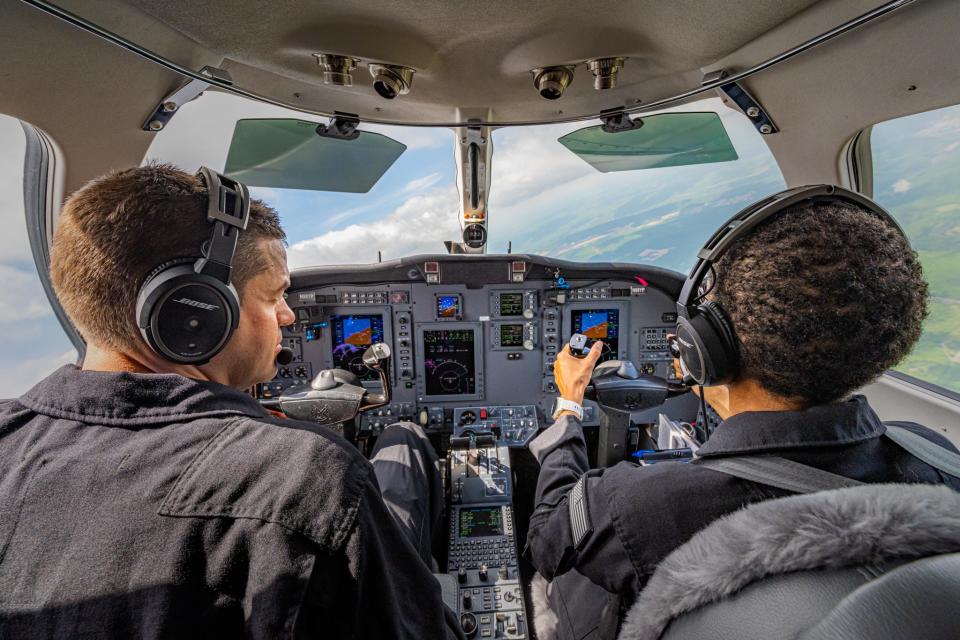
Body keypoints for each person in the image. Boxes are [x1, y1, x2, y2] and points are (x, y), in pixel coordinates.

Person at [0, 164, 462, 639]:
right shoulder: (304, 476)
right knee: (403, 440)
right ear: (195, 311)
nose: (287, 316)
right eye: (275, 295)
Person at [525, 186, 960, 640]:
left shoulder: (640, 506)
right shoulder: (936, 456)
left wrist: (569, 405)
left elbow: (545, 541)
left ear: (703, 348)